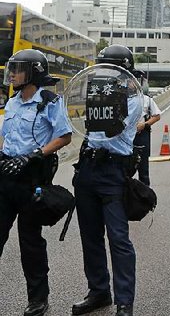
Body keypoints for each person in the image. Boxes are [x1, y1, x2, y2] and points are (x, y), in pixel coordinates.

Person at [0, 49, 72, 316]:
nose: (12, 74)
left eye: (17, 69)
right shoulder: (12, 102)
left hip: (32, 181)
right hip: (6, 179)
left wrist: (35, 154)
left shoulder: (51, 102)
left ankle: (38, 299)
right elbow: (7, 137)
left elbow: (64, 137)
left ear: (32, 73)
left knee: (30, 244)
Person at [72, 45, 142, 316]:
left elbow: (116, 127)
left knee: (118, 238)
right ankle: (98, 291)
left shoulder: (133, 97)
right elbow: (81, 122)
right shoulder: (94, 94)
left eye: (110, 68)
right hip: (88, 166)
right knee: (90, 236)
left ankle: (124, 300)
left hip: (113, 169)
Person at [130, 70, 161, 186]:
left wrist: (145, 124)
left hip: (141, 136)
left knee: (143, 170)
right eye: (131, 81)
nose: (133, 84)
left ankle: (144, 198)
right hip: (125, 138)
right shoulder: (121, 99)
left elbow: (157, 116)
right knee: (123, 171)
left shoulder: (147, 100)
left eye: (137, 81)